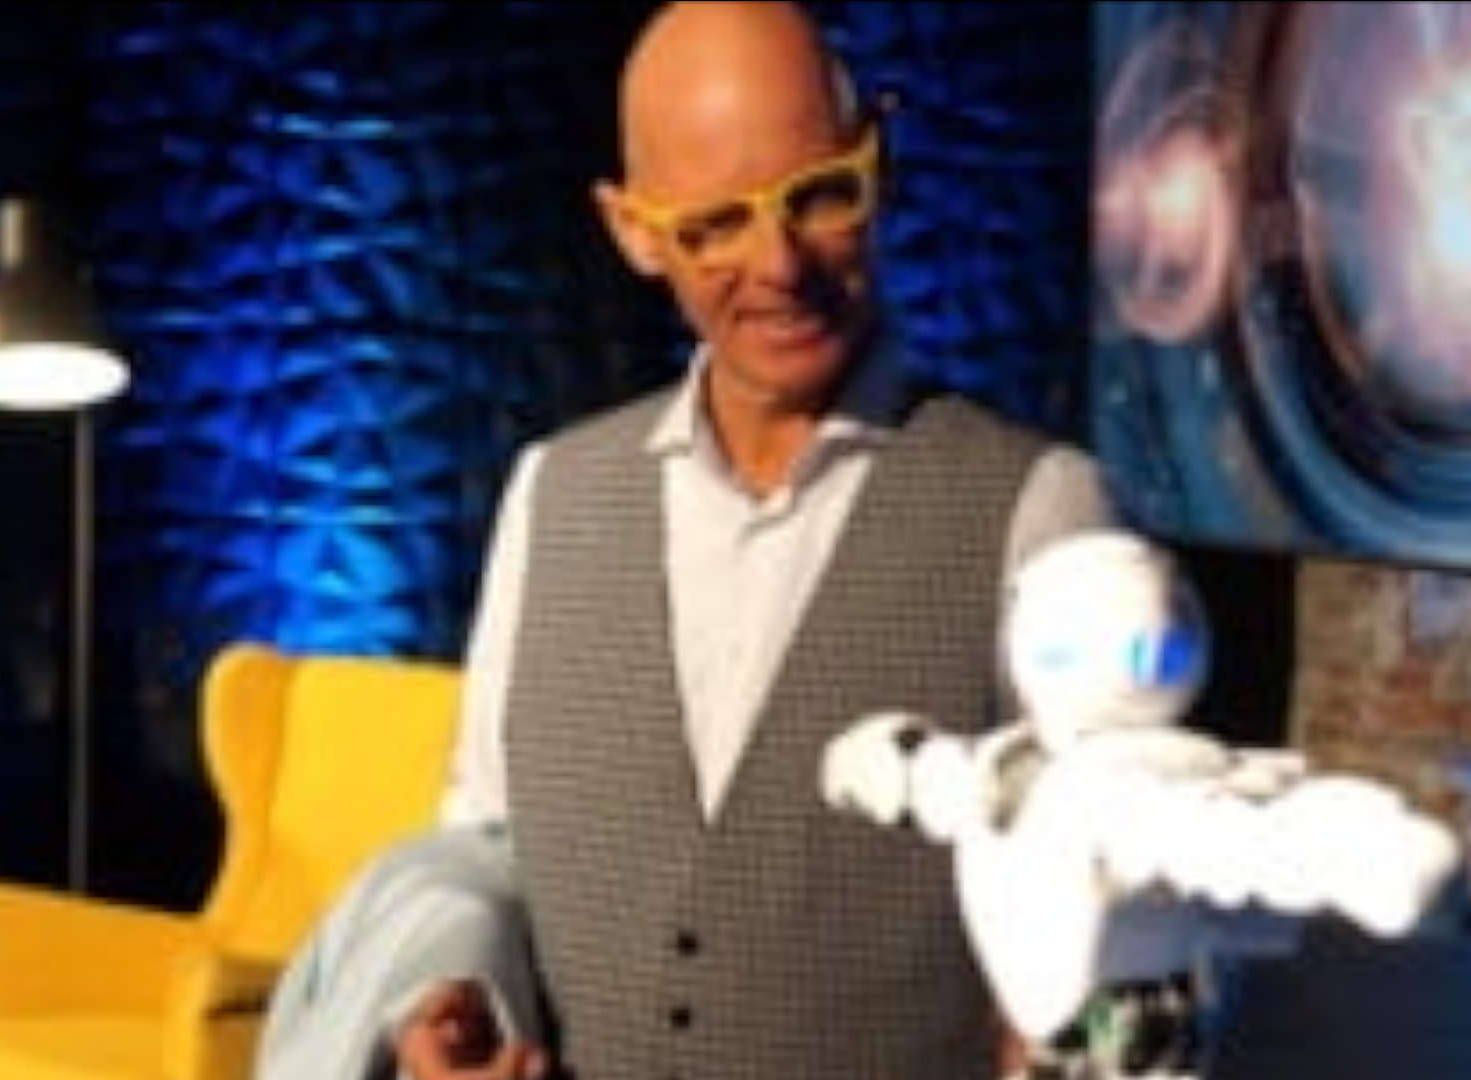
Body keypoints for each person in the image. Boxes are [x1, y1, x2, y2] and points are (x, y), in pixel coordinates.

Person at [396, 3, 1114, 1077]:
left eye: (820, 196)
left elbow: (1109, 889)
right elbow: (487, 837)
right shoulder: (552, 492)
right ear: (635, 231)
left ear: (880, 164)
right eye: (716, 225)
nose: (779, 264)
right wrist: (457, 987)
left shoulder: (1041, 506)